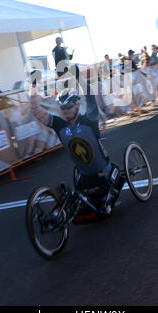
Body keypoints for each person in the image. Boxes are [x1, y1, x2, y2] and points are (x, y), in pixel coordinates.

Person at [30, 83, 125, 215]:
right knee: (73, 208)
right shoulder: (59, 125)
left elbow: (90, 98)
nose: (66, 110)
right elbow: (35, 110)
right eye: (63, 107)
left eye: (69, 106)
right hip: (84, 179)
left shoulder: (89, 120)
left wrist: (77, 75)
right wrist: (34, 84)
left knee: (104, 209)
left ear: (78, 105)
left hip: (104, 174)